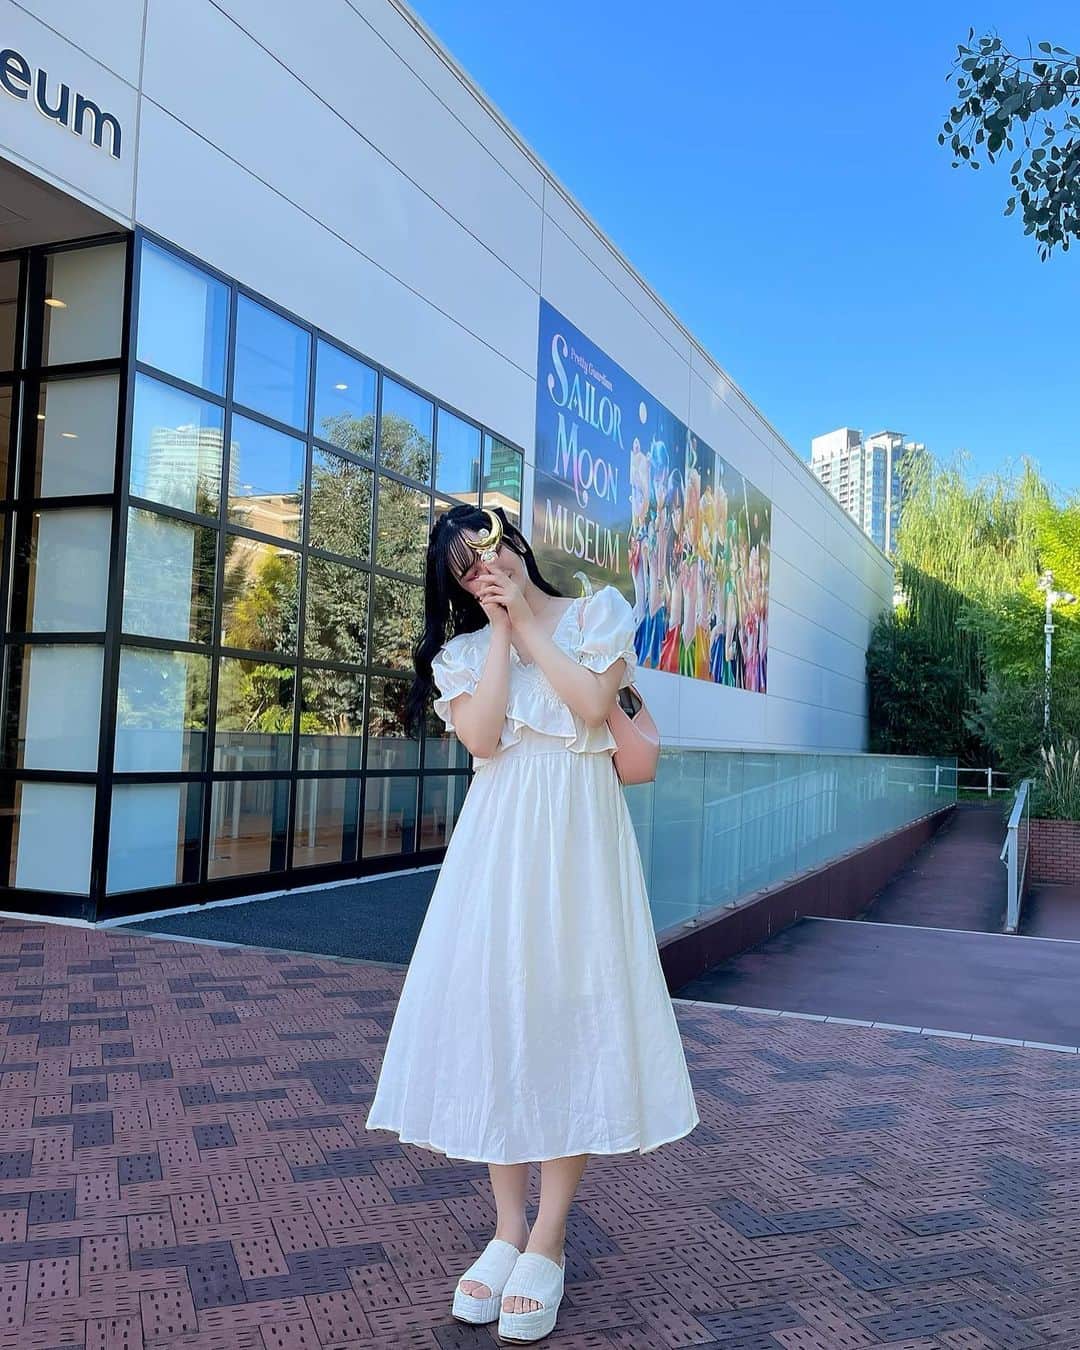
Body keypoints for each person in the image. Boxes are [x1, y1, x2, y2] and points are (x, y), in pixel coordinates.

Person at [364, 503, 700, 1344]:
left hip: (579, 844)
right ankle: (506, 1230)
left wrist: (528, 621)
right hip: (498, 849)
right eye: (465, 571)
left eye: (487, 552)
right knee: (498, 1020)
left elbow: (590, 706)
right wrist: (502, 634)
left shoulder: (597, 612)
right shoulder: (463, 655)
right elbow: (483, 740)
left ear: (514, 542)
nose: (485, 571)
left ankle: (548, 1238)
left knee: (565, 1022)